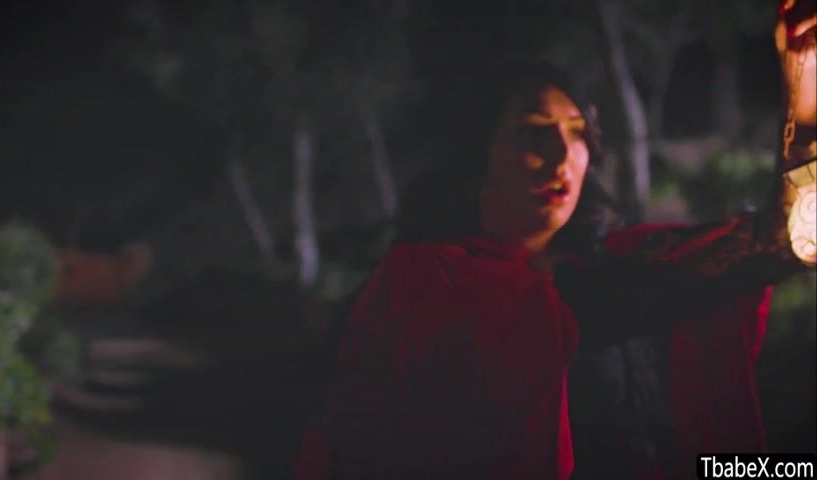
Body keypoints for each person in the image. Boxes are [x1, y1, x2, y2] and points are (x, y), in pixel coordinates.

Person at [293, 4, 816, 479]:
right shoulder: (425, 286)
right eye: (534, 132)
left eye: (576, 132)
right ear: (478, 153)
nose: (563, 156)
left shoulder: (624, 261)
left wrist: (806, 82)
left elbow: (792, 238)